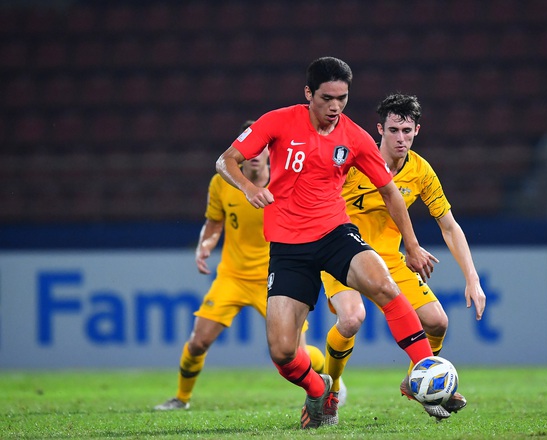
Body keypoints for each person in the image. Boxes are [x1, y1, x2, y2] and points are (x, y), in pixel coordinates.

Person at [215, 57, 440, 429]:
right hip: (288, 246)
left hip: (335, 232)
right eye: (327, 98)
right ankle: (318, 388)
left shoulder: (354, 136)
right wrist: (251, 188)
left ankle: (427, 372)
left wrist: (412, 246)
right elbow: (226, 161)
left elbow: (390, 191)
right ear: (309, 94)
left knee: (384, 285)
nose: (335, 107)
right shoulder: (277, 121)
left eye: (343, 98)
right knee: (283, 351)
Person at [320, 93, 487, 425]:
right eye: (394, 130)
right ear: (379, 129)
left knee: (438, 321)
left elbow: (449, 226)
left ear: (417, 131)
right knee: (352, 320)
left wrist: (473, 278)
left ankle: (417, 381)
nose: (401, 138)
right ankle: (331, 389)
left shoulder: (420, 171)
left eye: (407, 131)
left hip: (389, 260)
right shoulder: (356, 163)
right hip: (343, 254)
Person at [154, 120, 328, 411]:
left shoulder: (287, 182)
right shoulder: (221, 183)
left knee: (295, 354)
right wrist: (205, 245)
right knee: (198, 342)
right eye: (252, 147)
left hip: (274, 278)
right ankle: (181, 398)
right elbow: (214, 222)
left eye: (264, 147)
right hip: (232, 276)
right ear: (242, 151)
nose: (258, 153)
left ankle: (328, 379)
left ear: (272, 151)